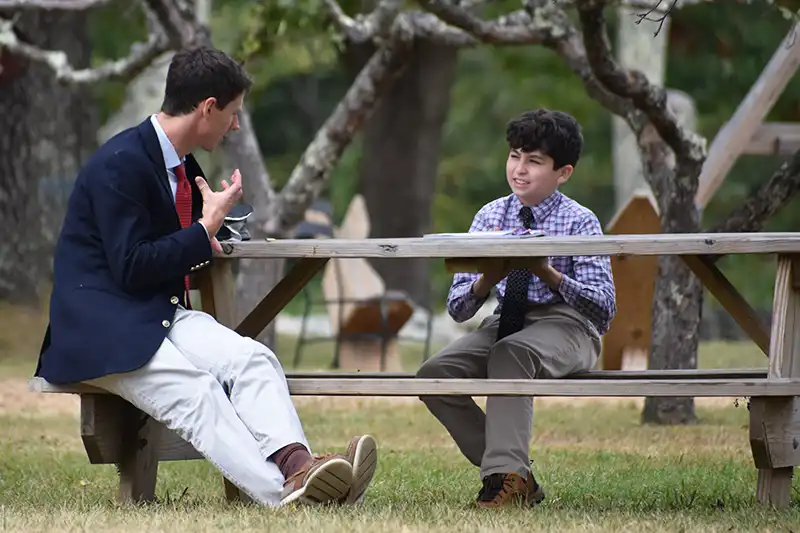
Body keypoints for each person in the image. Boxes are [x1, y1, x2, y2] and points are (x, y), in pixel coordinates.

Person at [35, 46, 378, 508]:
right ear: (207, 108)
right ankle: (288, 496)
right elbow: (133, 265)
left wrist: (216, 226)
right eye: (233, 113)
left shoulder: (179, 164)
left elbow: (178, 244)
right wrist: (202, 230)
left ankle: (300, 465)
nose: (235, 125)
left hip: (157, 313)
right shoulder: (121, 163)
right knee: (198, 394)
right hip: (103, 329)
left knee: (253, 360)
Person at [416, 109, 616, 508]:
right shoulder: (490, 215)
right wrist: (488, 278)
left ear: (564, 172)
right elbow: (457, 308)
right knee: (434, 374)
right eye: (514, 156)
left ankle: (504, 482)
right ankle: (512, 474)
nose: (519, 170)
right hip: (505, 320)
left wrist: (547, 271)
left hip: (570, 328)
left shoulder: (580, 222)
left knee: (511, 353)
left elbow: (604, 308)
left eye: (534, 161)